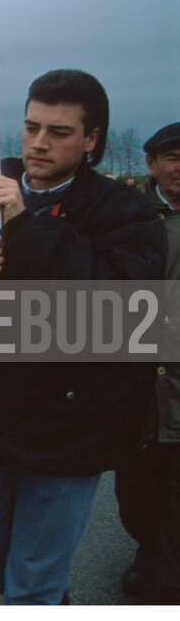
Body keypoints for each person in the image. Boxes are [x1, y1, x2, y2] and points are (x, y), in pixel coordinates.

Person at [0, 70, 166, 604]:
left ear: (92, 139)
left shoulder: (125, 210)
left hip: (70, 425)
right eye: (32, 126)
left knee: (32, 579)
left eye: (59, 131)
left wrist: (25, 220)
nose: (38, 142)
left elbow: (120, 312)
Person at [113, 122, 180, 603]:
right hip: (135, 377)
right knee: (137, 486)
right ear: (151, 163)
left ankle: (166, 577)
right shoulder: (128, 215)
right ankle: (149, 547)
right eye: (172, 156)